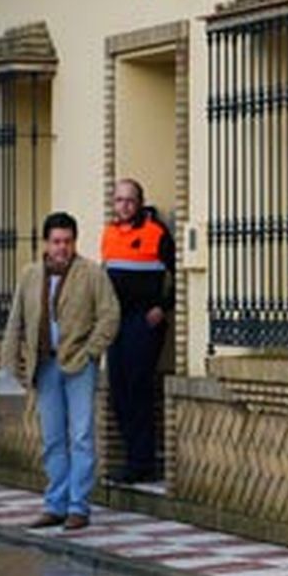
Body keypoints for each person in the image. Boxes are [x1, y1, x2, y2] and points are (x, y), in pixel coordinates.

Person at [1, 212, 120, 531]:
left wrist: (90, 352)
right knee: (53, 438)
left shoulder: (92, 274)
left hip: (79, 365)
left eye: (67, 242)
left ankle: (79, 505)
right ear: (46, 243)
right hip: (44, 364)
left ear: (74, 242)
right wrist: (9, 368)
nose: (61, 248)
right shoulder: (30, 275)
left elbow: (109, 316)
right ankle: (55, 503)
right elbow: (16, 322)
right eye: (56, 242)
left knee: (81, 435)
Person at [101, 178, 175, 485]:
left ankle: (142, 462)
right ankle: (133, 457)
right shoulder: (108, 234)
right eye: (119, 200)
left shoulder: (157, 234)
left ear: (140, 203)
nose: (124, 206)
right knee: (118, 390)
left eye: (130, 200)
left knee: (137, 387)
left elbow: (178, 274)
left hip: (143, 322)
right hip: (116, 321)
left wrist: (163, 307)